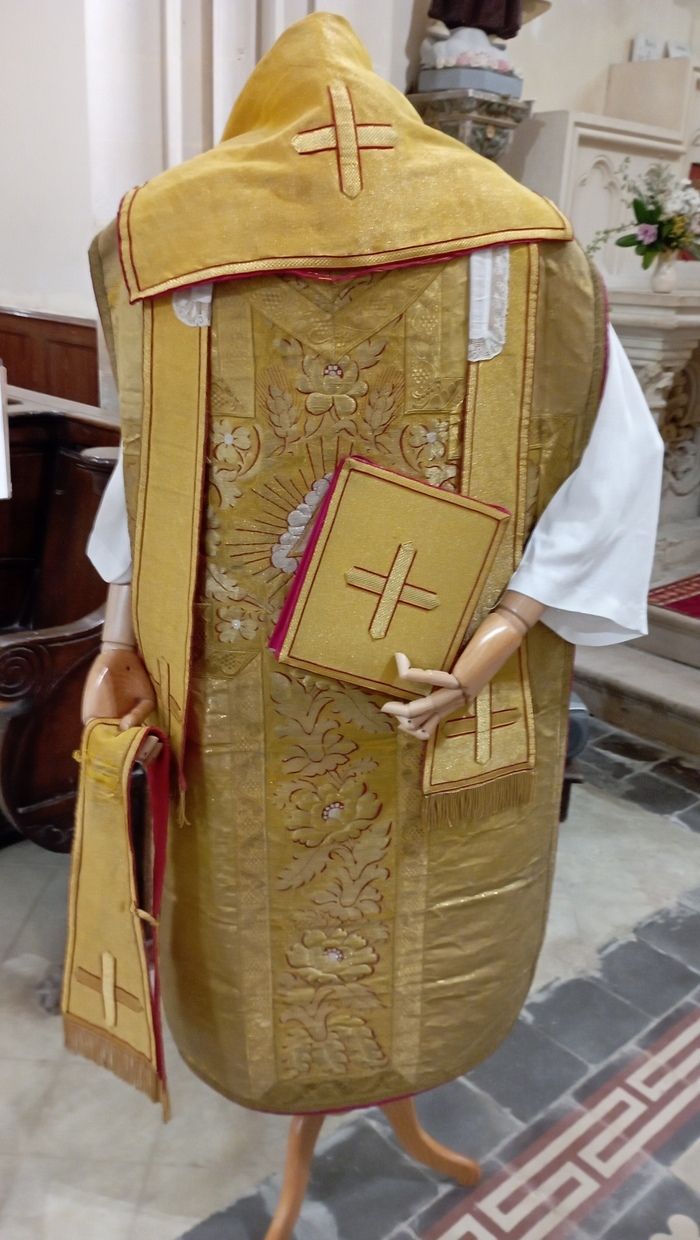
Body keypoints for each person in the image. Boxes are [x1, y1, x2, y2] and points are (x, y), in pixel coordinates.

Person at [80, 11, 662, 1122]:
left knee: (264, 908)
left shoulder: (158, 235)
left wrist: (115, 642)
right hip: (432, 674)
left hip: (234, 691)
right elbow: (614, 458)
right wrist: (501, 634)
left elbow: (142, 469)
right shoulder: (524, 237)